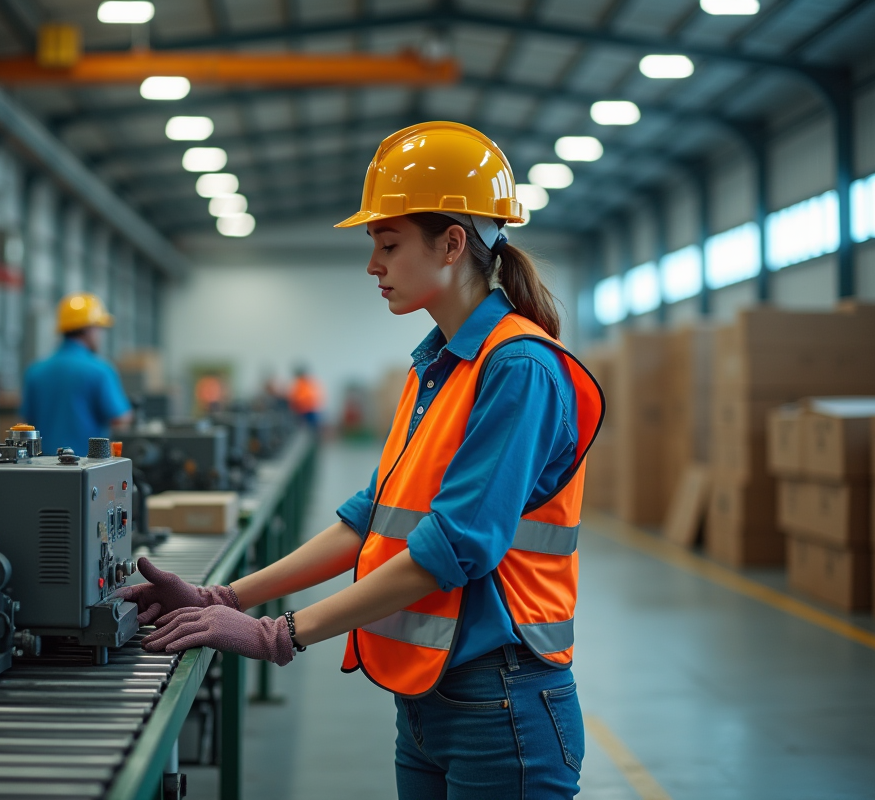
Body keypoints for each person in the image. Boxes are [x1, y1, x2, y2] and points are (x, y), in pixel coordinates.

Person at [120, 122, 604, 799]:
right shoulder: (436, 365)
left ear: (452, 243)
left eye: (389, 244)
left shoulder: (518, 368)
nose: (373, 265)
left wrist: (278, 634)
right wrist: (222, 598)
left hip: (503, 705)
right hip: (429, 702)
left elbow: (452, 549)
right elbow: (367, 519)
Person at [21, 293, 132, 453]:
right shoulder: (100, 371)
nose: (100, 335)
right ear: (88, 329)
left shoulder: (35, 372)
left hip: (43, 465)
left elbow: (26, 423)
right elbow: (120, 419)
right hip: (87, 465)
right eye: (99, 328)